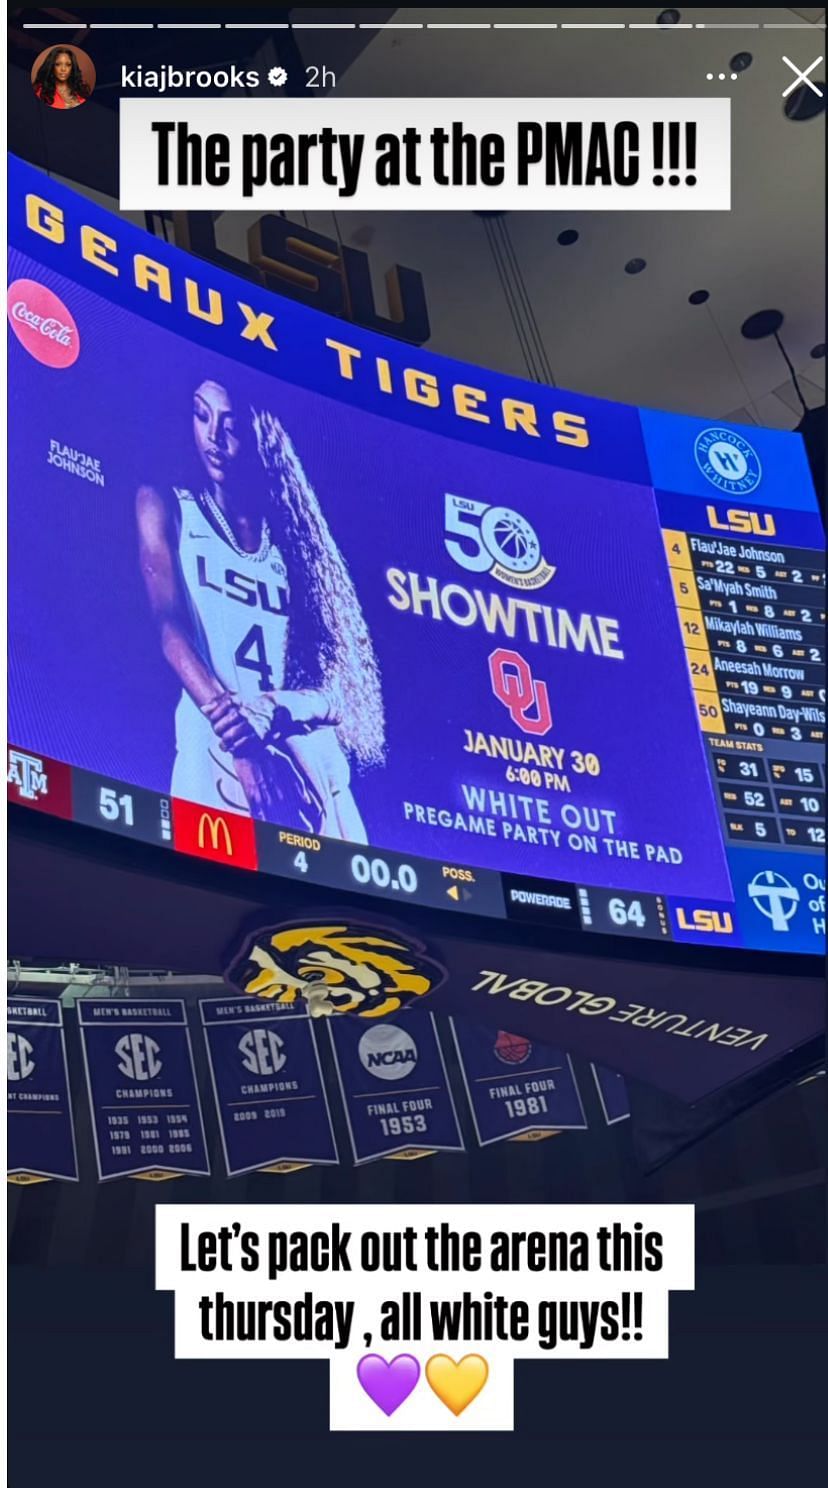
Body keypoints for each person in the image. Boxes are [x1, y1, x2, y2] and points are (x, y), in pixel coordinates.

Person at [136, 378, 385, 843]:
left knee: (352, 907)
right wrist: (241, 739)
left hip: (308, 757)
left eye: (230, 425)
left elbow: (341, 687)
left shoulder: (299, 539)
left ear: (261, 432)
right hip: (215, 742)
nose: (213, 437)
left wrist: (273, 712)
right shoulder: (168, 504)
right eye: (202, 414)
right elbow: (167, 625)